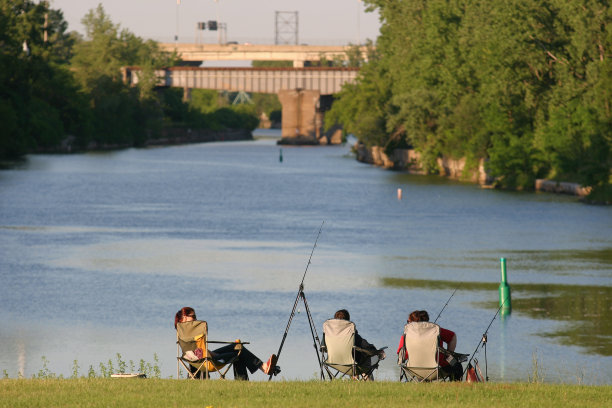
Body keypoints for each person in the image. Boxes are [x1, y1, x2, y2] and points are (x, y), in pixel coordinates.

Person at [175, 307, 280, 380]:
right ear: (184, 318)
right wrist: (216, 356)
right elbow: (202, 352)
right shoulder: (196, 330)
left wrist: (216, 355)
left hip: (196, 360)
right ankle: (262, 369)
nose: (196, 319)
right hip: (207, 362)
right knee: (240, 352)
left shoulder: (183, 332)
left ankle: (262, 368)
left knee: (236, 347)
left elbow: (200, 351)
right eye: (193, 317)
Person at [396, 310, 463, 381]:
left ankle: (423, 383)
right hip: (438, 368)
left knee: (419, 362)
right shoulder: (436, 330)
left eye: (408, 321)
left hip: (414, 370)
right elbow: (452, 337)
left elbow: (402, 354)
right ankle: (454, 386)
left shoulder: (406, 334)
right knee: (457, 365)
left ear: (412, 322)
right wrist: (449, 354)